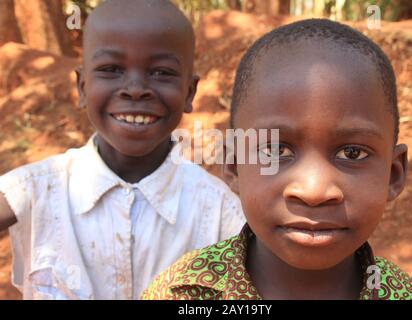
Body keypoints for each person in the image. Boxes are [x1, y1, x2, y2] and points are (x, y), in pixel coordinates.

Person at [141, 19, 412, 300]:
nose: (313, 191)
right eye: (274, 150)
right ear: (233, 164)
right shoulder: (182, 294)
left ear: (393, 174)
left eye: (352, 153)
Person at [0, 0, 244, 300]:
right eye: (111, 69)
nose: (135, 88)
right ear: (81, 87)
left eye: (162, 72)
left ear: (189, 93)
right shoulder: (35, 190)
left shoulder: (220, 212)